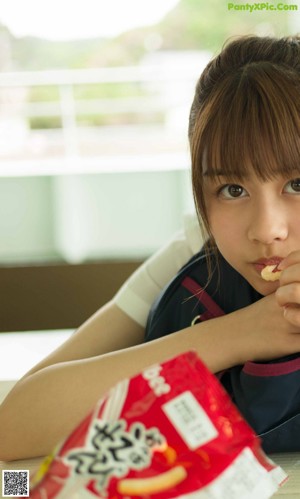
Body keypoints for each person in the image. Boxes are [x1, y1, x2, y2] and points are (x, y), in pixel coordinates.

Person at [1, 33, 300, 462]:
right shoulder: (199, 253)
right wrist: (248, 331)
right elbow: (16, 425)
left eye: (296, 184)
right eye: (233, 189)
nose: (266, 230)